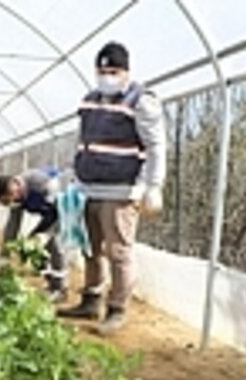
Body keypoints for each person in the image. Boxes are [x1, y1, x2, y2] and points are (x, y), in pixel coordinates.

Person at [58, 41, 167, 336]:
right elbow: (83, 141)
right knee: (91, 248)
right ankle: (91, 300)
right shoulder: (90, 100)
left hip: (121, 191)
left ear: (126, 71)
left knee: (119, 252)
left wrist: (153, 186)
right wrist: (74, 172)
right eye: (102, 70)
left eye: (113, 70)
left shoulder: (141, 101)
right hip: (89, 189)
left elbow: (156, 146)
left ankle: (117, 309)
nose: (107, 75)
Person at [0, 170, 68, 302]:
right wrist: (4, 256)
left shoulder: (43, 185)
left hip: (69, 208)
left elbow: (62, 213)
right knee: (31, 247)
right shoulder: (17, 196)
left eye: (7, 201)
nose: (10, 204)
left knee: (55, 244)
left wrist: (46, 234)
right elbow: (12, 226)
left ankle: (61, 289)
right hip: (50, 215)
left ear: (14, 189)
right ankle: (52, 284)